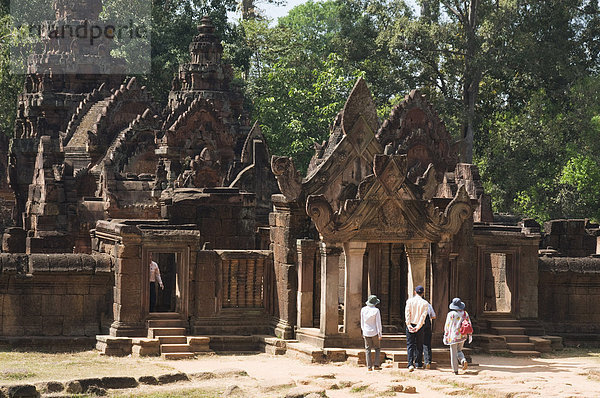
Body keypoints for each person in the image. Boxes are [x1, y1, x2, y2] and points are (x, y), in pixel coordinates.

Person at [443, 297, 472, 375]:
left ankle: (455, 369)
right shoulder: (465, 313)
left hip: (453, 336)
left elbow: (447, 325)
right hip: (463, 335)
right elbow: (469, 324)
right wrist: (469, 334)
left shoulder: (451, 314)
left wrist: (446, 334)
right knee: (459, 350)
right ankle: (463, 360)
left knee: (453, 353)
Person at [404, 285, 429, 371]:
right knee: (419, 344)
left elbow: (407, 313)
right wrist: (418, 327)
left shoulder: (409, 301)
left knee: (410, 345)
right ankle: (418, 363)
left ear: (415, 292)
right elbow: (423, 316)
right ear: (422, 293)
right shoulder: (425, 303)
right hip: (420, 326)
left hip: (411, 324)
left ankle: (410, 363)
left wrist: (408, 325)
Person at [361, 295, 383, 372]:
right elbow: (378, 323)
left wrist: (363, 331)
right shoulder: (376, 311)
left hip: (366, 331)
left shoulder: (363, 310)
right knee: (377, 348)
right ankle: (376, 365)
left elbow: (362, 322)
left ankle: (369, 366)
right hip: (374, 332)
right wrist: (380, 334)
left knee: (367, 349)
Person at [423, 300, 437, 369]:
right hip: (427, 323)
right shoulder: (428, 304)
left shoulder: (413, 302)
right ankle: (427, 361)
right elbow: (434, 316)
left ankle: (417, 361)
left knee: (416, 342)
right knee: (427, 343)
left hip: (417, 322)